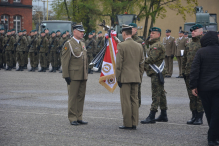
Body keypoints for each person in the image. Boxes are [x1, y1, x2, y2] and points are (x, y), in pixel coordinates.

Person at [190, 31, 219, 146]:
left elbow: (195, 70)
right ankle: (213, 137)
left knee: (209, 112)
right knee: (216, 112)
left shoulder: (201, 52)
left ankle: (213, 136)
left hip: (204, 88)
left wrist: (193, 86)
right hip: (217, 88)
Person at [116, 24, 144, 130]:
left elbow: (119, 64)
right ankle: (134, 122)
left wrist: (118, 78)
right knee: (134, 100)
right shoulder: (139, 45)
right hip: (136, 76)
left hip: (125, 77)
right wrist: (139, 76)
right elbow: (142, 63)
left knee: (126, 101)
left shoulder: (121, 45)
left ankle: (127, 123)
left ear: (124, 34)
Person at [61, 22, 88, 126]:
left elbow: (84, 59)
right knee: (73, 97)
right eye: (80, 31)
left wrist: (86, 73)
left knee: (81, 96)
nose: (82, 33)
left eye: (83, 32)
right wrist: (66, 75)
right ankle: (72, 118)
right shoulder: (69, 44)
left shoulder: (82, 43)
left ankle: (79, 117)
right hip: (73, 75)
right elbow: (65, 60)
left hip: (82, 75)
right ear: (74, 32)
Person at [141, 27, 168, 124]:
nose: (151, 34)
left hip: (157, 73)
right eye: (150, 33)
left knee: (156, 94)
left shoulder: (157, 45)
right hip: (155, 72)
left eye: (153, 33)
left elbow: (151, 59)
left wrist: (141, 61)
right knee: (160, 93)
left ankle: (152, 115)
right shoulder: (153, 44)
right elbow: (146, 44)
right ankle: (164, 114)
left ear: (158, 35)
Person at [182, 24, 204, 125]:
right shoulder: (189, 44)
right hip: (189, 74)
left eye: (195, 31)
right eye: (192, 31)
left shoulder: (203, 44)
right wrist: (183, 71)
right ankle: (194, 115)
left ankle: (199, 116)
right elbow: (184, 60)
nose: (193, 32)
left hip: (200, 74)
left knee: (199, 96)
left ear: (201, 32)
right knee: (191, 96)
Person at [129, 23, 146, 107]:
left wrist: (141, 71)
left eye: (131, 29)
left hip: (137, 69)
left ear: (136, 30)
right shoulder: (126, 40)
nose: (130, 31)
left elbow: (143, 58)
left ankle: (136, 107)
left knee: (136, 90)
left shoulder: (140, 41)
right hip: (128, 69)